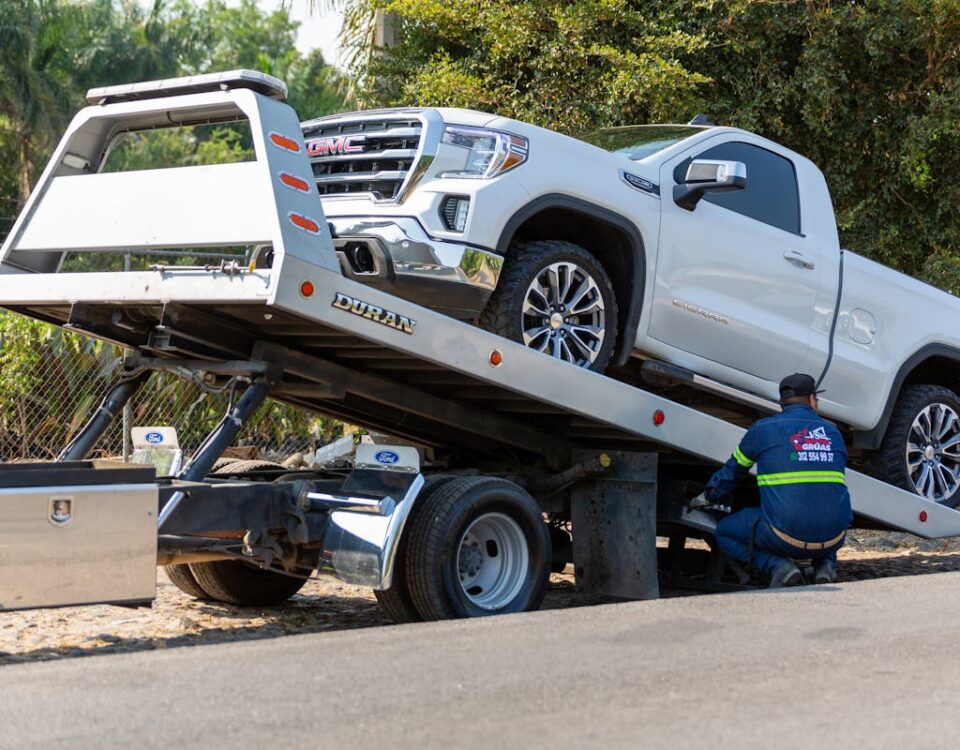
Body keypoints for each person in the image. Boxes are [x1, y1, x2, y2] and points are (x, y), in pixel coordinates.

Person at [697, 373, 853, 587]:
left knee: (724, 532)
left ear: (782, 403)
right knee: (823, 510)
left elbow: (732, 472)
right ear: (811, 400)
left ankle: (779, 566)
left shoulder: (763, 429)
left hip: (784, 537)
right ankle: (824, 566)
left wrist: (709, 496)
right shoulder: (833, 433)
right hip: (836, 537)